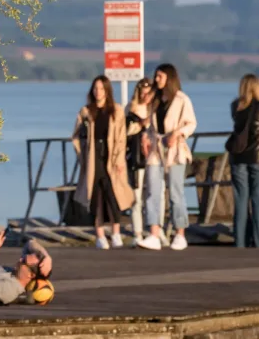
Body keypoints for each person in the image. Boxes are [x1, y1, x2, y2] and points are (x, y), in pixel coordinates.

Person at [137, 63, 197, 251]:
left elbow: (191, 123)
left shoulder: (182, 100)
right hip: (157, 148)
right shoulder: (155, 100)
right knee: (152, 191)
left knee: (176, 191)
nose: (156, 80)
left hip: (175, 150)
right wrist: (146, 135)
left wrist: (178, 134)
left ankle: (180, 233)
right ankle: (154, 232)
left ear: (169, 78)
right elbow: (150, 125)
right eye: (156, 76)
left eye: (160, 77)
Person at [72, 75, 134, 249]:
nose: (98, 92)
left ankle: (115, 232)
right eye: (95, 88)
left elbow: (121, 137)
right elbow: (76, 136)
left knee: (113, 195)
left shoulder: (116, 110)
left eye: (101, 88)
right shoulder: (86, 111)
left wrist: (120, 160)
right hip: (93, 158)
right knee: (96, 196)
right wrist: (82, 155)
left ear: (107, 90)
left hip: (112, 157)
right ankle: (99, 235)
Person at [227, 74, 259, 248]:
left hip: (238, 157)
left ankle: (240, 242)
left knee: (241, 201)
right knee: (258, 200)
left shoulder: (236, 106)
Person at [125, 78, 154, 241]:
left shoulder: (156, 109)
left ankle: (155, 229)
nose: (145, 95)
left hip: (154, 157)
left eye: (148, 92)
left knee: (154, 195)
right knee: (136, 197)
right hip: (136, 157)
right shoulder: (131, 109)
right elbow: (124, 131)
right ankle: (137, 231)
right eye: (142, 91)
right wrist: (140, 125)